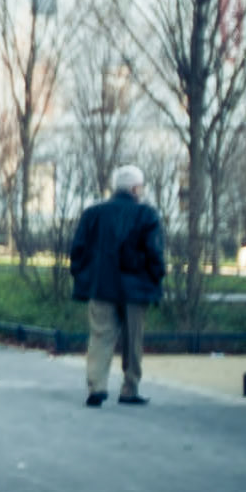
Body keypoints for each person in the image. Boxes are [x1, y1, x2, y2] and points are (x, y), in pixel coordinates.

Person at [69, 164, 166, 407]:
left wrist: (83, 277)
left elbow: (78, 251)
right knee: (133, 341)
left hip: (100, 286)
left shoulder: (93, 213)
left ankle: (96, 386)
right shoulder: (147, 215)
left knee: (100, 336)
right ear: (135, 188)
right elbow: (154, 252)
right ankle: (129, 388)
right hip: (136, 289)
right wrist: (156, 277)